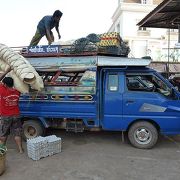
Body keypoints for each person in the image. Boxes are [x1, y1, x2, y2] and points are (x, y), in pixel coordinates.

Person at [0, 73, 23, 153]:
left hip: (6, 116)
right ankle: (20, 150)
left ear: (5, 85)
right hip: (16, 115)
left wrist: (7, 71)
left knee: (3, 134)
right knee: (17, 133)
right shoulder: (17, 91)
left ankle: (2, 149)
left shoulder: (2, 90)